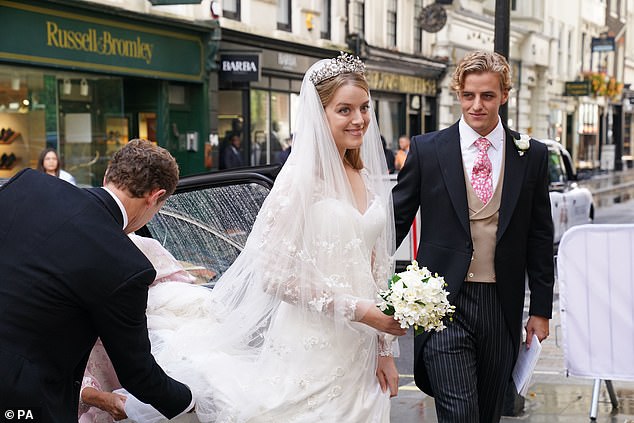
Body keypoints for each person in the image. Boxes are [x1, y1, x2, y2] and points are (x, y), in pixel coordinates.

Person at [122, 52, 406, 422]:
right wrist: (360, 311)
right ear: (319, 116)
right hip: (312, 342)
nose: (359, 120)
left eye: (364, 108)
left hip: (362, 344)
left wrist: (384, 347)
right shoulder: (300, 181)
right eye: (344, 110)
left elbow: (376, 265)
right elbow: (274, 275)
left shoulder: (365, 177)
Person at [392, 50, 554, 422]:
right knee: (460, 413)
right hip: (442, 304)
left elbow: (540, 238)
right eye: (468, 95)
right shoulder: (427, 149)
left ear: (504, 95)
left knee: (488, 413)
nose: (477, 105)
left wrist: (541, 310)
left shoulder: (532, 155)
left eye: (487, 96)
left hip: (501, 302)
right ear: (459, 94)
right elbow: (394, 222)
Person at [0, 139, 194, 421]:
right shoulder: (127, 265)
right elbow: (138, 374)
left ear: (107, 176)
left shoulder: (28, 184)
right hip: (22, 398)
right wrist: (191, 401)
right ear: (156, 196)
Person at [79, 234, 196, 423]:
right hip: (93, 397)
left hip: (160, 385)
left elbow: (190, 308)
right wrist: (95, 397)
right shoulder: (53, 262)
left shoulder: (145, 248)